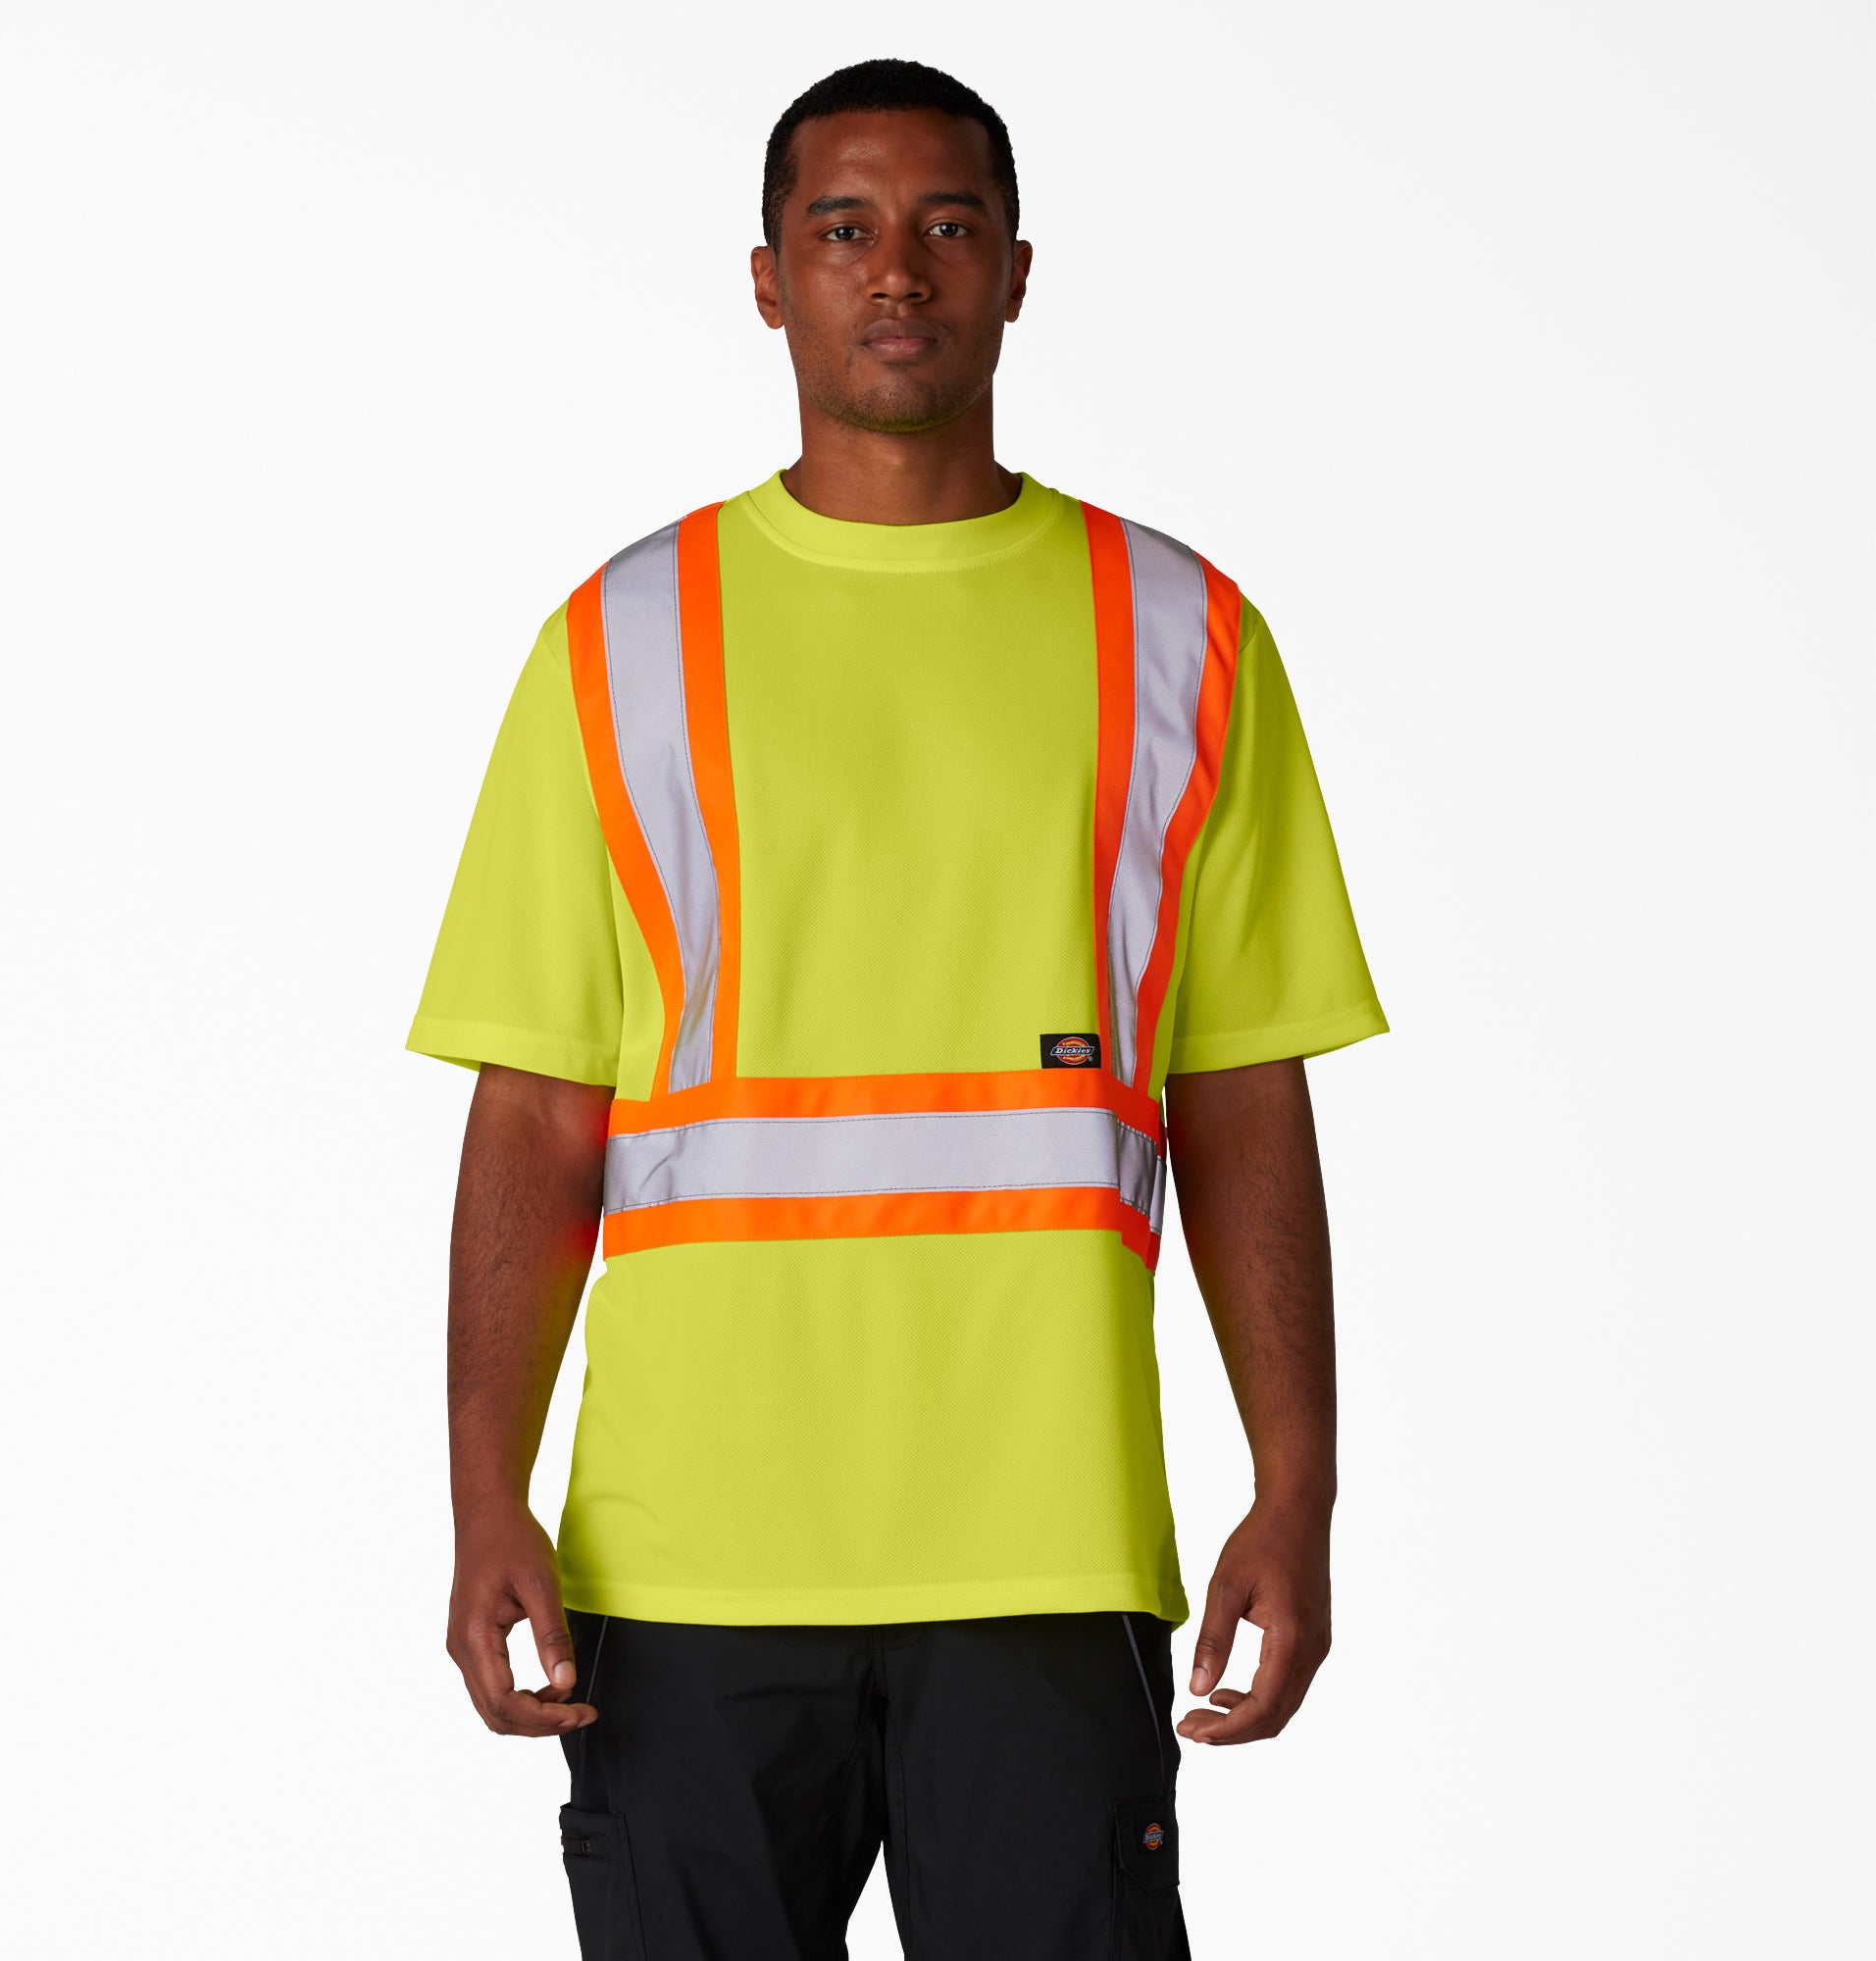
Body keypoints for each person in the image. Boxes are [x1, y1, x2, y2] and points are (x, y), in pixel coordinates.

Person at [407, 56, 1386, 1960]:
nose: (897, 271)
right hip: (684, 1564)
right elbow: (532, 1115)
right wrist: (481, 1493)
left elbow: (1243, 1098)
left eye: (946, 225)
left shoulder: (1179, 632)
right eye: (842, 228)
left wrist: (1300, 1488)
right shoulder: (619, 641)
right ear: (766, 279)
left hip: (1049, 1551)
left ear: (1017, 270)